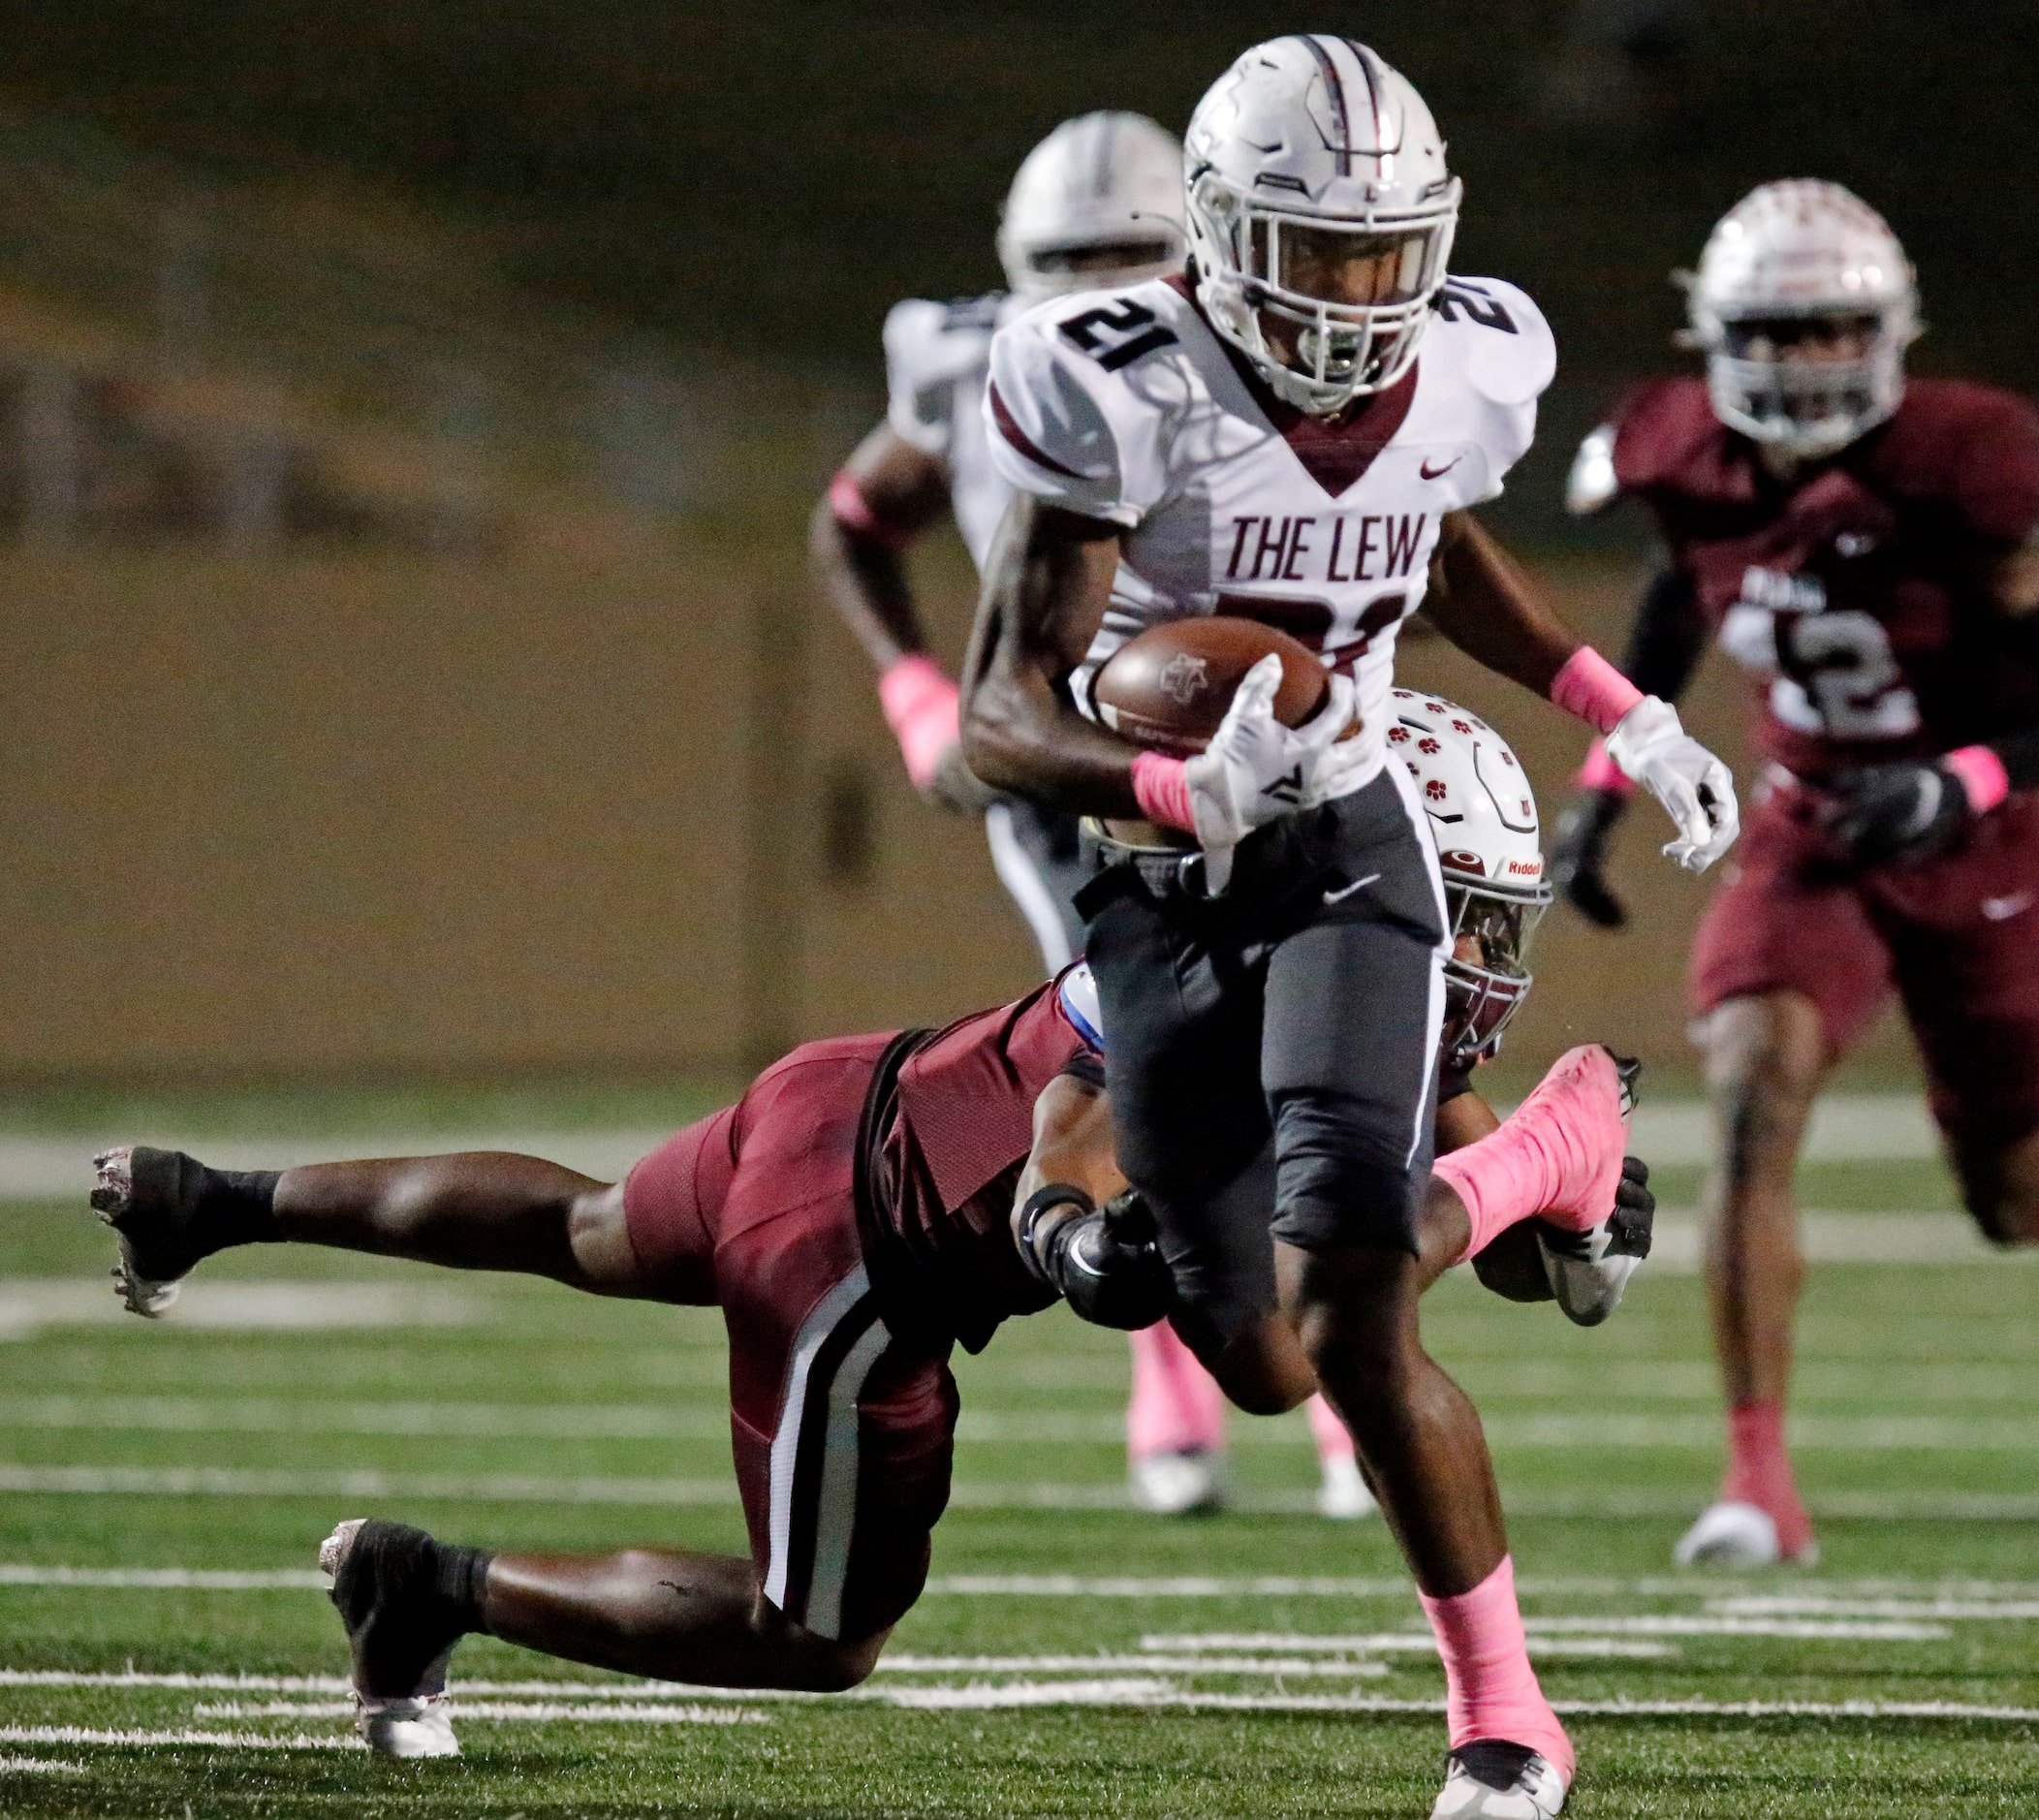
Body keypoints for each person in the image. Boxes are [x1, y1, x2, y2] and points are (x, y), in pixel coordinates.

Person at [86, 699, 1649, 1788]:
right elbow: (1162, 1218)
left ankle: (214, 1197)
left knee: (584, 1226)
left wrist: (1563, 1204)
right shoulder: (1213, 989)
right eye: (1455, 916)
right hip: (860, 1253)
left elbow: (1435, 1198)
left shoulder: (1281, 964)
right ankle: (432, 1589)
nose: (1473, 960)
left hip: (851, 1088)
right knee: (816, 1638)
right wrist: (1062, 1232)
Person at [960, 35, 1737, 1819]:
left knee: (1359, 1300)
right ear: (1221, 234)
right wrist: (1168, 794)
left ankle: (1506, 1719)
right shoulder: (1117, 381)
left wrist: (1620, 706)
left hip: (1349, 841)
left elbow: (1435, 544)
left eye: (1389, 257)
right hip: (1159, 865)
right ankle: (1549, 1148)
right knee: (1257, 1353)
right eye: (1317, 255)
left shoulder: (1469, 363)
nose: (1357, 298)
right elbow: (1003, 718)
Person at [1547, 178, 2039, 1571]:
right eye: (1777, 332)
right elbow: (1677, 602)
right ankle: (1754, 1476)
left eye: (1834, 330)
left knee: (2011, 1198)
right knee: (1749, 1095)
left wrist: (1958, 779)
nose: (1805, 361)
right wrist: (1605, 777)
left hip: (1976, 836)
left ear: (1884, 334)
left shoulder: (1961, 462)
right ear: (1718, 338)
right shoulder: (1678, 455)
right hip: (1809, 828)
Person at [809, 109, 1363, 1520]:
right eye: (1072, 256)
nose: (1102, 280)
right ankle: (1179, 1379)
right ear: (1014, 261)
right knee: (1142, 1058)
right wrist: (920, 698)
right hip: (1071, 775)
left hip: (1246, 745)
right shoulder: (967, 358)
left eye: (1134, 251)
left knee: (1307, 1050)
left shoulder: (1238, 358)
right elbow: (854, 520)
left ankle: (1331, 1371)